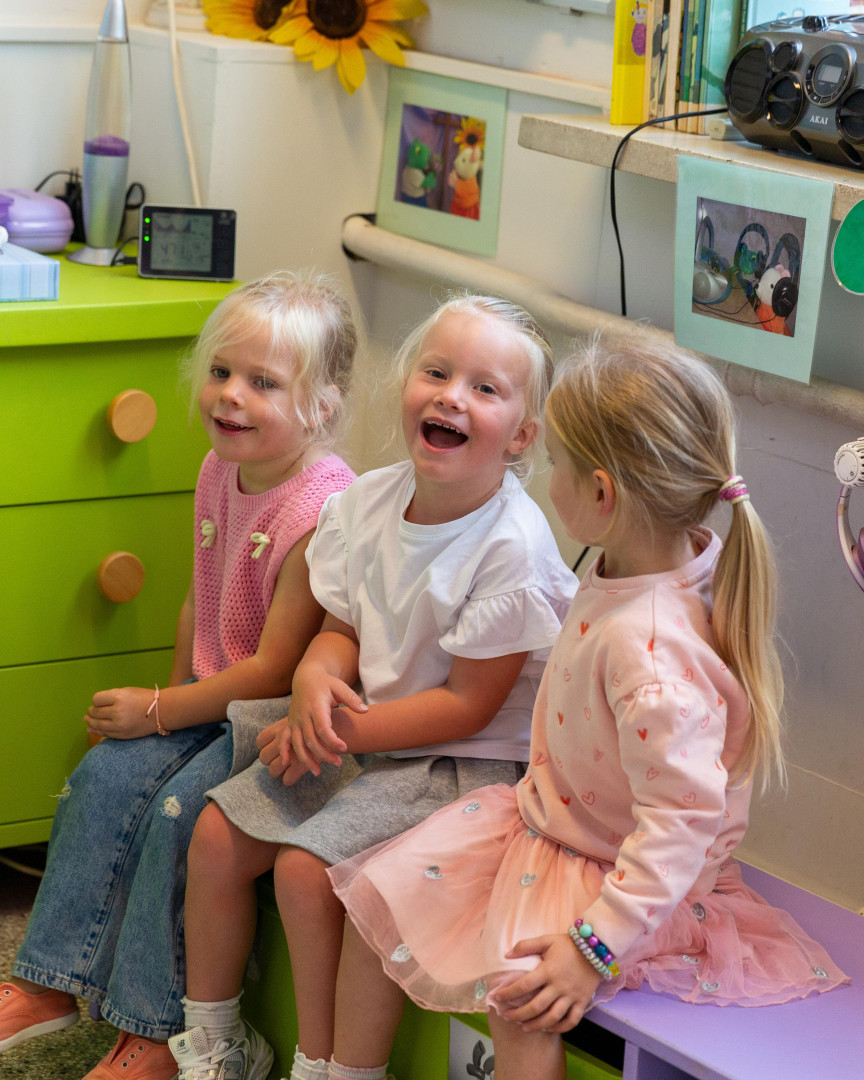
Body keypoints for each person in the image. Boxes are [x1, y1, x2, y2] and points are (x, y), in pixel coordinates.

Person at [326, 335, 850, 1080]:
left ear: (601, 495)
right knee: (379, 898)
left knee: (520, 1001)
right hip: (550, 823)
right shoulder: (654, 559)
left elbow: (681, 826)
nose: (548, 482)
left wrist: (591, 949)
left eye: (556, 464)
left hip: (619, 879)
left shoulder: (651, 652)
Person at [164, 294, 578, 1080]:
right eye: (437, 373)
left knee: (302, 870)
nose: (452, 396)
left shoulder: (510, 546)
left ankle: (325, 1064)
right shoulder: (369, 502)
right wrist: (314, 682)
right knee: (216, 836)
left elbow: (469, 707)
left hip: (459, 766)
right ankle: (216, 1043)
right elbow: (343, 630)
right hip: (365, 733)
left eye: (485, 389)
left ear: (523, 435)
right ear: (406, 385)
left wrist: (334, 729)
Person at [0, 270, 359, 1080]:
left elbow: (276, 668)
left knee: (175, 814)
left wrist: (162, 710)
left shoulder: (322, 510)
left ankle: (159, 1031)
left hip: (277, 723)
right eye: (222, 371)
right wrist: (162, 716)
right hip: (212, 704)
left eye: (263, 382)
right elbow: (201, 598)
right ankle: (48, 982)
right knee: (102, 775)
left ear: (321, 407)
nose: (230, 395)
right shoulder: (217, 469)